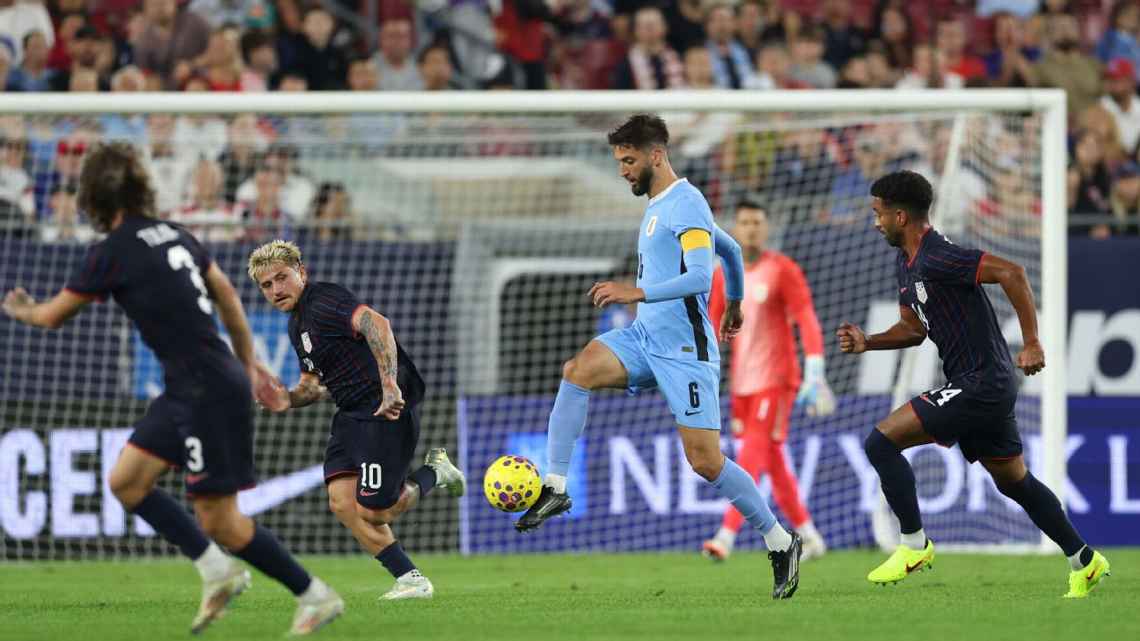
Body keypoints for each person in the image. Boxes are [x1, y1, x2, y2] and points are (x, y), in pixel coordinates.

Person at [0, 142, 343, 634]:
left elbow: (52, 317)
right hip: (195, 383)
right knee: (126, 482)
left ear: (93, 196)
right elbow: (228, 297)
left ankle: (314, 595)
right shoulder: (176, 234)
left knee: (220, 521)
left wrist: (21, 310)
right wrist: (248, 363)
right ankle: (217, 570)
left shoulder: (110, 252)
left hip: (204, 389)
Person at [515, 114, 803, 600]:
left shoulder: (686, 202)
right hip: (645, 338)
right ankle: (556, 485)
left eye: (629, 160)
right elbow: (731, 250)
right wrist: (734, 302)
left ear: (656, 155)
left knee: (705, 462)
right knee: (577, 370)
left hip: (685, 351)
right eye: (619, 161)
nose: (623, 170)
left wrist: (636, 292)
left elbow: (699, 276)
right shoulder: (661, 204)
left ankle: (779, 539)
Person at [837, 170, 1110, 597]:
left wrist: (1032, 342)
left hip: (982, 381)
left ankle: (914, 545)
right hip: (982, 384)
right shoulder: (905, 262)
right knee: (1014, 482)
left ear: (901, 216)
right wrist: (868, 342)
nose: (875, 222)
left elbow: (1013, 272)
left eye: (879, 213)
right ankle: (1084, 559)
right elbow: (913, 329)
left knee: (880, 443)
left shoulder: (938, 255)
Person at [248, 239, 466, 601]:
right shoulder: (296, 325)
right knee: (341, 502)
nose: (275, 290)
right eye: (266, 285)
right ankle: (410, 579)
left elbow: (376, 323)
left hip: (384, 409)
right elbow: (311, 387)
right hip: (350, 414)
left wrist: (390, 384)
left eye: (282, 278)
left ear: (302, 272)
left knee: (377, 513)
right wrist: (284, 398)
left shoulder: (323, 301)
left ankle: (435, 472)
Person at [701, 200, 833, 563]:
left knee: (751, 454)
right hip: (741, 384)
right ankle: (810, 536)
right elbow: (711, 328)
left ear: (767, 227)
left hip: (777, 379)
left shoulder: (782, 269)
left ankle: (726, 535)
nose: (751, 229)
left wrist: (815, 371)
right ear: (734, 229)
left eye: (757, 222)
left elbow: (806, 319)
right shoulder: (722, 276)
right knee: (772, 461)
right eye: (745, 222)